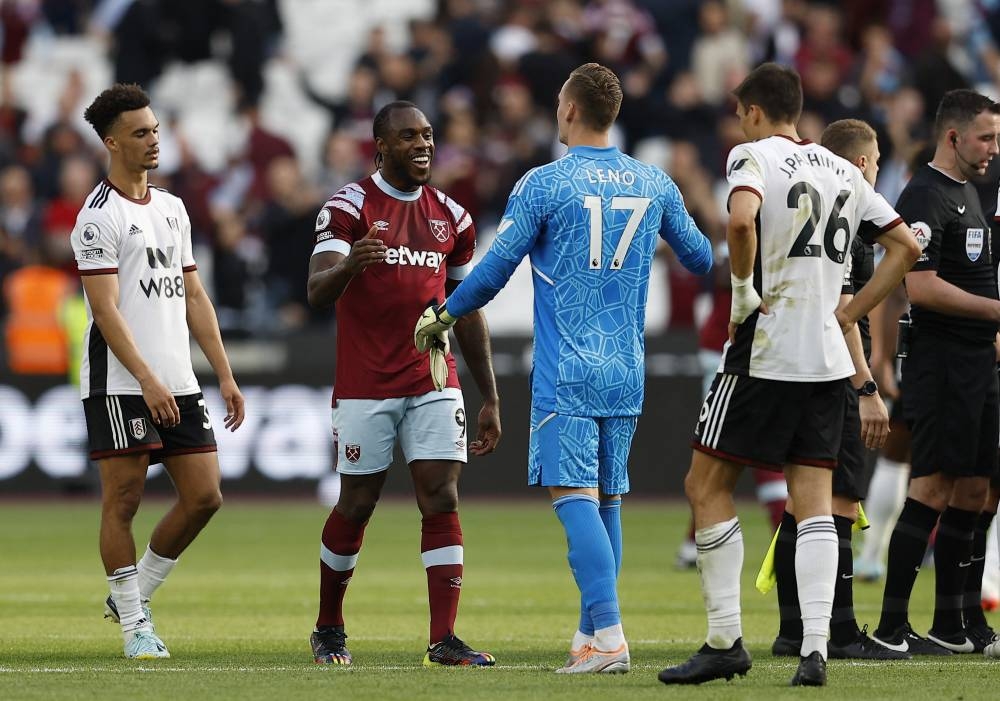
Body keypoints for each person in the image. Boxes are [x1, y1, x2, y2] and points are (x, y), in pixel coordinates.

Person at [414, 62, 714, 674]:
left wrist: (443, 315)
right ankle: (588, 635)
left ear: (571, 110)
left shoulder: (545, 184)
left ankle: (610, 639)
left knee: (573, 498)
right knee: (608, 503)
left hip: (568, 371)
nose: (555, 113)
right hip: (627, 367)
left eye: (557, 105)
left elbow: (494, 272)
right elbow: (702, 257)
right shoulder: (654, 183)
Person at [657, 63, 918, 687]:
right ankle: (817, 649)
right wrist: (851, 310)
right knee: (815, 506)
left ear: (751, 110)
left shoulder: (752, 157)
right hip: (827, 362)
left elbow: (742, 221)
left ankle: (725, 641)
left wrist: (743, 293)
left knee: (706, 485)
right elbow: (905, 247)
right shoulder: (843, 171)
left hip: (766, 352)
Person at [307, 100, 501, 668]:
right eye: (409, 137)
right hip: (366, 383)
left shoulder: (453, 217)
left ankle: (443, 639)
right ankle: (329, 627)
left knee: (441, 495)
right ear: (382, 147)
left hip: (432, 379)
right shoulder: (349, 206)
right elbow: (317, 290)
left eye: (429, 135)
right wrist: (349, 266)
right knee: (358, 503)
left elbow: (466, 309)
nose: (423, 145)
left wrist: (488, 393)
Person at [70, 83, 245, 660]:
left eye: (156, 130)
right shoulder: (97, 218)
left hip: (179, 379)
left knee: (205, 496)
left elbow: (194, 295)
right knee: (122, 502)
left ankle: (133, 595)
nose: (153, 141)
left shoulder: (172, 208)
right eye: (141, 132)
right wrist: (145, 378)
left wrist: (224, 373)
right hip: (121, 383)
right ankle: (134, 630)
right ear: (112, 141)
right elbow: (105, 311)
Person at [768, 118, 913, 661]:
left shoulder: (804, 206)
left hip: (798, 362)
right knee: (840, 500)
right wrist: (867, 385)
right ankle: (842, 629)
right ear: (858, 164)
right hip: (836, 371)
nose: (877, 169)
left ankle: (791, 629)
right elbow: (844, 311)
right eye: (874, 159)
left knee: (803, 504)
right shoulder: (850, 213)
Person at [871, 89, 1000, 656]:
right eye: (986, 138)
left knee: (976, 489)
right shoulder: (923, 195)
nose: (994, 148)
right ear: (954, 137)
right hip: (942, 362)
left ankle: (957, 624)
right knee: (931, 487)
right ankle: (892, 625)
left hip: (978, 361)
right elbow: (918, 286)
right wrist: (996, 311)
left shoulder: (970, 191)